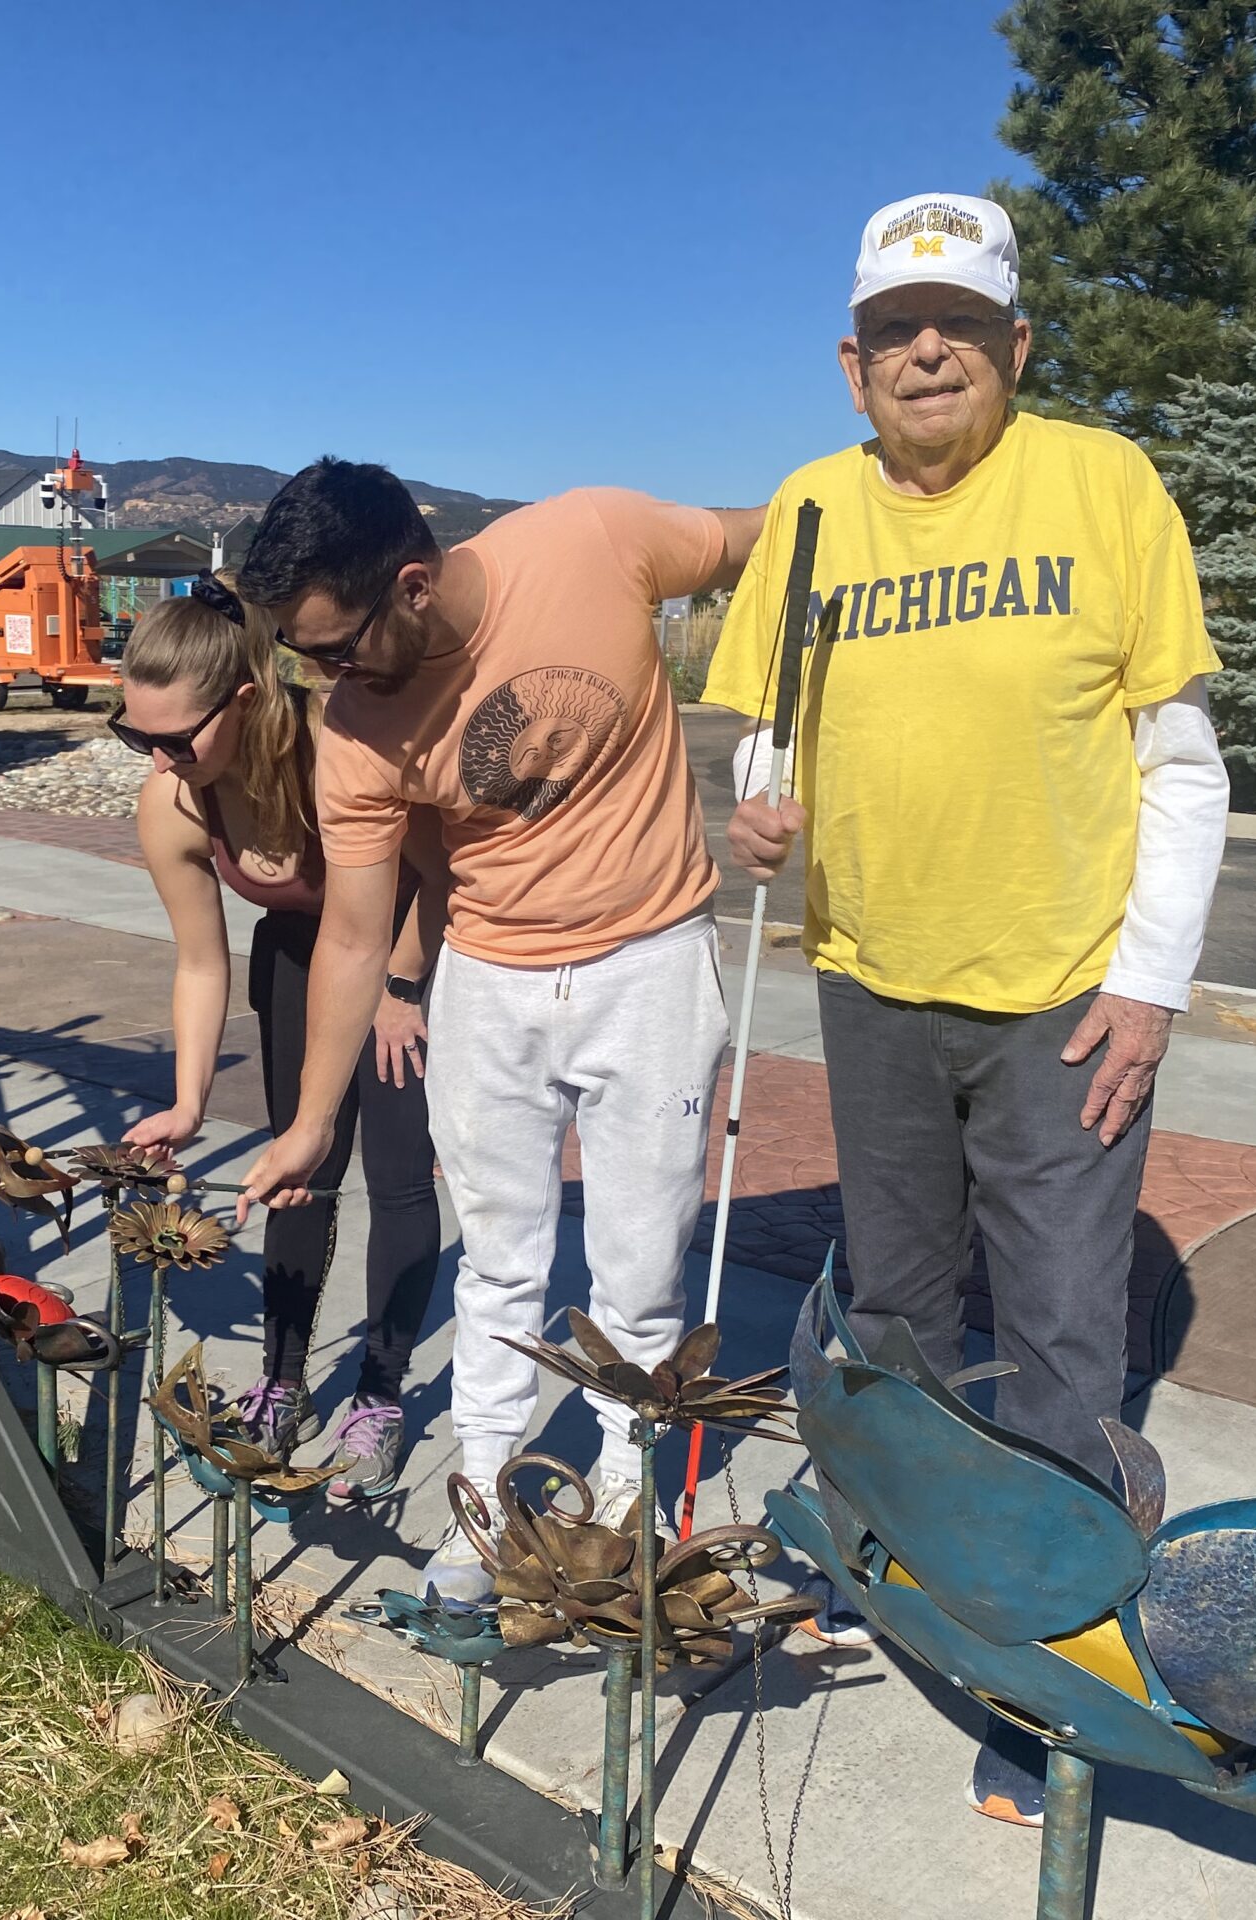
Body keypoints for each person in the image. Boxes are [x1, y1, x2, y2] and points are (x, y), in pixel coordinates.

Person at [707, 191, 1229, 1828]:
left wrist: (1149, 987)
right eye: (890, 328)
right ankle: (910, 1585)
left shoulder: (1100, 483)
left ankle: (1053, 1670)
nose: (923, 348)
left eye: (957, 320)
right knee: (902, 1329)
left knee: (1070, 1349)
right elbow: (766, 739)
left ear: (1018, 344)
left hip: (1063, 999)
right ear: (848, 364)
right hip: (871, 983)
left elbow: (1186, 765)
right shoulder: (807, 514)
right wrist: (760, 805)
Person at [231, 459, 762, 1600]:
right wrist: (311, 1124)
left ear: (412, 586)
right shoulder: (355, 732)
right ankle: (483, 1518)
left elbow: (763, 538)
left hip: (652, 964)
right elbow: (354, 938)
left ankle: (620, 1520)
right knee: (502, 1267)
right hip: (491, 982)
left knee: (638, 1266)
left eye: (332, 648)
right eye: (298, 654)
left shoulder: (591, 538)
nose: (320, 677)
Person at [116, 576, 446, 1502]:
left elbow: (438, 867)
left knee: (397, 1173)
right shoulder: (172, 801)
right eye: (135, 734)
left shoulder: (338, 747)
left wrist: (401, 984)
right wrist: (185, 1102)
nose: (157, 757)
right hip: (301, 957)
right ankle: (283, 1379)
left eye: (176, 738)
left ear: (247, 701)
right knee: (299, 1172)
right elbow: (198, 963)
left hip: (409, 949)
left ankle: (379, 1395)